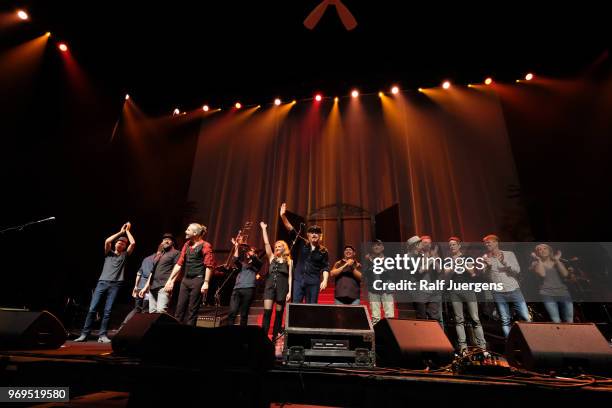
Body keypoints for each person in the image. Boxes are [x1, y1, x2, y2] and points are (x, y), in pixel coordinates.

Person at [74, 222, 136, 343]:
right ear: (116, 244)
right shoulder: (109, 253)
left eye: (123, 243)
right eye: (119, 242)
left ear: (124, 246)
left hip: (116, 285)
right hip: (102, 282)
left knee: (107, 311)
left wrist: (127, 231)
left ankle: (102, 336)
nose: (121, 244)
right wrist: (121, 232)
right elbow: (107, 241)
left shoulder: (125, 255)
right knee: (92, 308)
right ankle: (84, 334)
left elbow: (133, 243)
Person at [164, 223, 216, 326]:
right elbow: (179, 264)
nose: (185, 231)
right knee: (179, 308)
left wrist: (206, 282)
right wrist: (170, 280)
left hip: (197, 280)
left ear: (195, 233)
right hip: (185, 280)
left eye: (188, 230)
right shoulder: (187, 244)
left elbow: (209, 265)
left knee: (192, 310)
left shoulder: (205, 245)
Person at [279, 202, 329, 304]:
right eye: (312, 232)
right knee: (295, 306)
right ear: (308, 235)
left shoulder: (324, 251)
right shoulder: (301, 243)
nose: (314, 234)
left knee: (311, 309)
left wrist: (325, 280)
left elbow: (325, 267)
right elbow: (290, 229)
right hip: (298, 281)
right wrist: (283, 216)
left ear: (321, 236)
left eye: (317, 233)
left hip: (313, 282)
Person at [444, 237, 487, 353]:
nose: (451, 247)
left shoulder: (466, 257)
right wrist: (453, 264)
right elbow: (446, 274)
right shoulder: (448, 260)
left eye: (453, 244)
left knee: (475, 318)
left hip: (468, 289)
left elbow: (472, 272)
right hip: (454, 291)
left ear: (459, 246)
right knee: (459, 320)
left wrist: (462, 263)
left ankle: (482, 346)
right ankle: (463, 347)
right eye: (450, 245)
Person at [483, 234, 530, 337]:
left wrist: (504, 262)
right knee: (505, 320)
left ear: (496, 242)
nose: (486, 244)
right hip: (498, 292)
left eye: (489, 242)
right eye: (485, 243)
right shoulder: (486, 258)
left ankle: (530, 340)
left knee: (525, 317)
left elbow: (517, 270)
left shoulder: (509, 254)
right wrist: (488, 267)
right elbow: (486, 277)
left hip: (513, 289)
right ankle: (510, 344)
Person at [260, 221, 292, 340]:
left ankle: (275, 337)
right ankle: (263, 338)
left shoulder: (289, 261)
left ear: (284, 248)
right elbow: (267, 243)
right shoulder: (271, 257)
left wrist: (289, 292)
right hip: (269, 287)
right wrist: (264, 229)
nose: (277, 248)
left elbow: (290, 277)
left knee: (279, 314)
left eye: (280, 246)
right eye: (276, 246)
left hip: (282, 288)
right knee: (267, 313)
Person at [529, 243, 573, 323]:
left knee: (569, 320)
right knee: (556, 321)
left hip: (563, 293)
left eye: (545, 248)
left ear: (550, 250)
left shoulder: (558, 262)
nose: (542, 250)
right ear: (537, 253)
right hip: (547, 294)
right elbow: (542, 274)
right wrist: (538, 259)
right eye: (539, 249)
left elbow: (565, 274)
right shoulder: (535, 264)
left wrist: (557, 260)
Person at [226, 237, 263, 326]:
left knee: (244, 314)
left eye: (251, 251)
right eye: (248, 252)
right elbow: (235, 259)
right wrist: (236, 247)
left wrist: (248, 249)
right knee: (232, 313)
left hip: (248, 289)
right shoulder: (243, 263)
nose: (247, 253)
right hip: (237, 289)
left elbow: (255, 259)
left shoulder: (257, 263)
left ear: (255, 254)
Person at [141, 233, 180, 313]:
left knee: (161, 311)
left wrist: (171, 282)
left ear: (172, 242)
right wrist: (145, 287)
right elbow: (152, 272)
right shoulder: (159, 255)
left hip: (164, 285)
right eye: (164, 240)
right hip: (153, 287)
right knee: (152, 312)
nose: (166, 241)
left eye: (168, 240)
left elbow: (178, 269)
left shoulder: (176, 253)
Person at [364, 240, 395, 325]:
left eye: (378, 245)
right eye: (374, 245)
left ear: (383, 247)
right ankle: (377, 335)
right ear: (371, 248)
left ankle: (389, 335)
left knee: (389, 315)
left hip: (386, 288)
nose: (376, 247)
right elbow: (364, 274)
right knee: (375, 316)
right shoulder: (367, 260)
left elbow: (393, 274)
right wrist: (371, 264)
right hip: (373, 289)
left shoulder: (389, 260)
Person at [413, 235, 442, 323]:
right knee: (421, 316)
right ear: (421, 244)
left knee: (434, 316)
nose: (428, 245)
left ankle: (435, 336)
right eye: (425, 243)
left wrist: (434, 259)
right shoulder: (416, 256)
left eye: (429, 243)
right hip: (421, 290)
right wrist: (431, 259)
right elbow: (420, 271)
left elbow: (439, 270)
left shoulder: (434, 255)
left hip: (433, 290)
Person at [121, 252, 154, 325]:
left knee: (137, 308)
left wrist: (135, 287)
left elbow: (138, 273)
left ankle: (124, 324)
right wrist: (146, 288)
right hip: (147, 288)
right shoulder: (157, 259)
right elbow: (151, 275)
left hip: (140, 287)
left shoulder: (146, 259)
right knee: (145, 310)